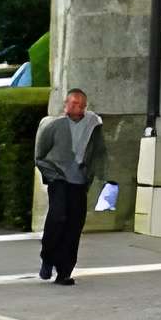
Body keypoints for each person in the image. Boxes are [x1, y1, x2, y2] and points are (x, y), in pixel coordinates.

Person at [33, 88, 105, 286]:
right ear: (66, 104)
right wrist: (51, 173)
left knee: (74, 226)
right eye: (74, 103)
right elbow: (40, 155)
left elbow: (100, 153)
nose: (78, 108)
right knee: (57, 217)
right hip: (58, 178)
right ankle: (47, 257)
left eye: (82, 104)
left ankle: (64, 271)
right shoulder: (53, 126)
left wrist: (99, 178)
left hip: (79, 181)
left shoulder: (93, 126)